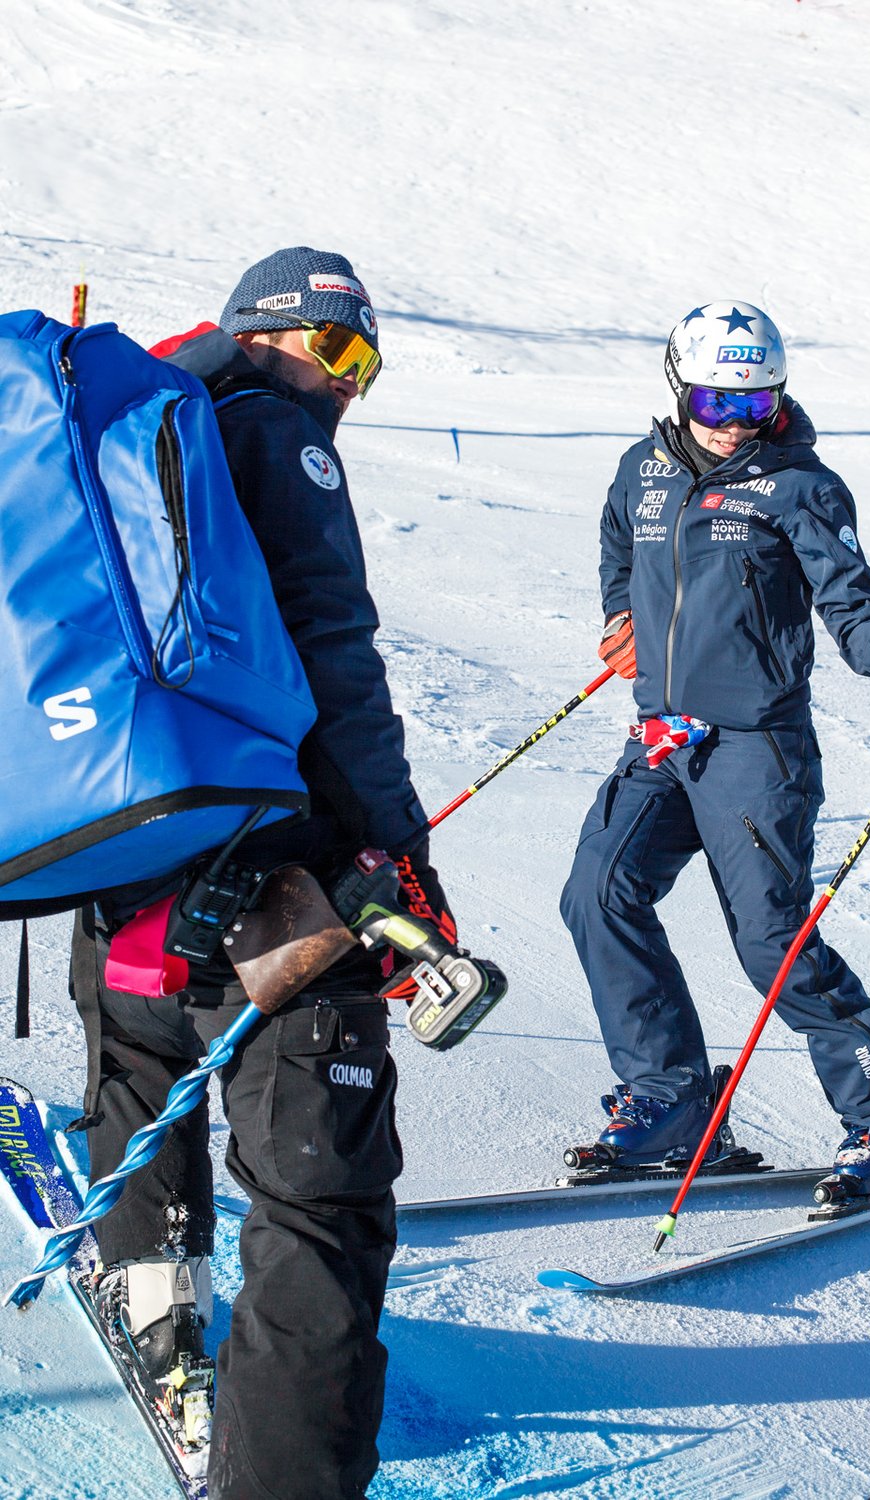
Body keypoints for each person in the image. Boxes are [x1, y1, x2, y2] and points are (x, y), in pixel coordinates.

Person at [69, 247, 454, 1499]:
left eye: (364, 362)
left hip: (128, 865)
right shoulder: (276, 436)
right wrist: (399, 848)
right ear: (263, 333)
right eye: (330, 349)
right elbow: (335, 659)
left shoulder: (132, 430)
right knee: (319, 1204)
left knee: (141, 1080)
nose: (342, 385)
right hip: (280, 898)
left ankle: (158, 1326)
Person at [560, 300, 870, 1196]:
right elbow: (618, 547)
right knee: (597, 895)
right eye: (717, 403)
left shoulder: (802, 486)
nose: (734, 426)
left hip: (757, 749)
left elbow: (852, 606)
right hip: (661, 735)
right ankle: (669, 1103)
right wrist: (619, 616)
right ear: (680, 389)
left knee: (771, 944)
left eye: (755, 407)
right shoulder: (642, 470)